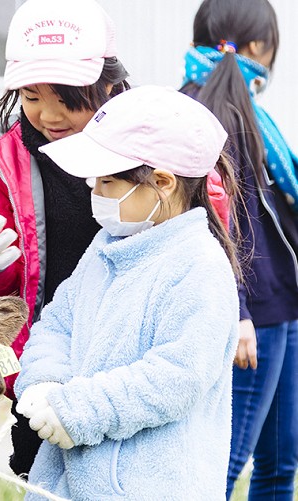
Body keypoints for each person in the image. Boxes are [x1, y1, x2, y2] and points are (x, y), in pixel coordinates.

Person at [14, 85, 241, 500]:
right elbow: (58, 322)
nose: (94, 194)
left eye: (106, 182)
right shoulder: (106, 247)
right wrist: (44, 381)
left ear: (163, 182)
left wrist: (78, 410)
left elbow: (175, 376)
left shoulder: (200, 267)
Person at [0, 0, 130, 475]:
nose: (48, 115)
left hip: (127, 366)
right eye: (31, 96)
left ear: (108, 83)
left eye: (67, 97)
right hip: (42, 372)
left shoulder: (144, 150)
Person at [180, 1, 298, 498]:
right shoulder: (195, 111)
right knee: (224, 467)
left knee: (280, 462)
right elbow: (207, 219)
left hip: (283, 306)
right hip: (253, 317)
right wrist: (239, 310)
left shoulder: (250, 113)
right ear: (258, 48)